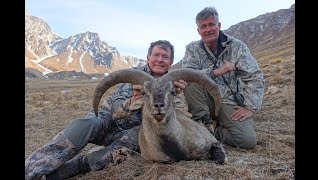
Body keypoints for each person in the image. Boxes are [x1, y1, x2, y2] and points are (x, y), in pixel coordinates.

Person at [25, 40, 188, 180]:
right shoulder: (134, 77)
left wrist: (178, 96)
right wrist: (134, 100)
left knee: (137, 136)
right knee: (87, 123)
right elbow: (116, 112)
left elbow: (181, 121)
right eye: (156, 55)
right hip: (107, 123)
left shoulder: (174, 85)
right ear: (148, 58)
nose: (160, 60)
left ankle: (73, 168)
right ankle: (32, 168)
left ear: (171, 62)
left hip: (132, 135)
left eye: (165, 57)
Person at [181, 7, 265, 149]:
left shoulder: (237, 47)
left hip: (228, 101)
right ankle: (203, 125)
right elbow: (188, 75)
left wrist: (250, 107)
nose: (208, 29)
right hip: (205, 100)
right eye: (203, 26)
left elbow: (255, 77)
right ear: (198, 31)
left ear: (218, 25)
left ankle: (216, 131)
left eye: (211, 24)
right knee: (190, 79)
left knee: (247, 141)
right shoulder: (192, 49)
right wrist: (217, 72)